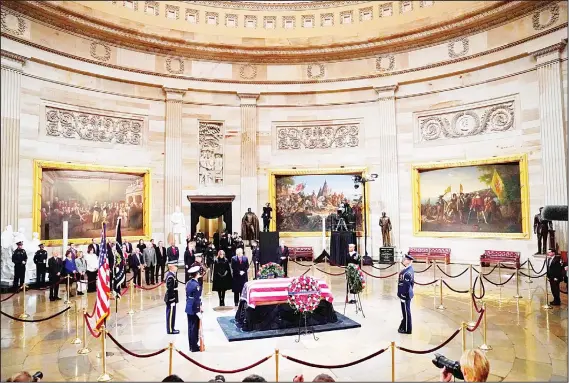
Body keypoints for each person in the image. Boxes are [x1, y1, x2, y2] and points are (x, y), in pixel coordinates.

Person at [185, 265, 202, 352]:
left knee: (190, 327)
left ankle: (191, 346)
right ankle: (194, 346)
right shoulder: (196, 285)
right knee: (194, 328)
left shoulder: (188, 283)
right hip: (194, 308)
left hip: (188, 307)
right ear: (196, 274)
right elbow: (196, 299)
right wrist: (198, 310)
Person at [397, 253, 415, 334]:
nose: (403, 260)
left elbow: (407, 286)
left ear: (408, 261)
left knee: (406, 312)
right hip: (405, 293)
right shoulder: (408, 269)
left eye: (405, 259)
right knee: (405, 311)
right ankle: (404, 326)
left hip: (405, 295)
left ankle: (407, 329)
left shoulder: (407, 272)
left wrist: (403, 295)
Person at [165, 260, 180, 334]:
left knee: (172, 314)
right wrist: (172, 299)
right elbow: (170, 289)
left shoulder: (172, 274)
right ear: (171, 267)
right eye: (175, 266)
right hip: (171, 298)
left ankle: (172, 328)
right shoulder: (171, 276)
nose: (176, 267)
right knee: (170, 314)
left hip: (172, 298)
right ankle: (170, 330)